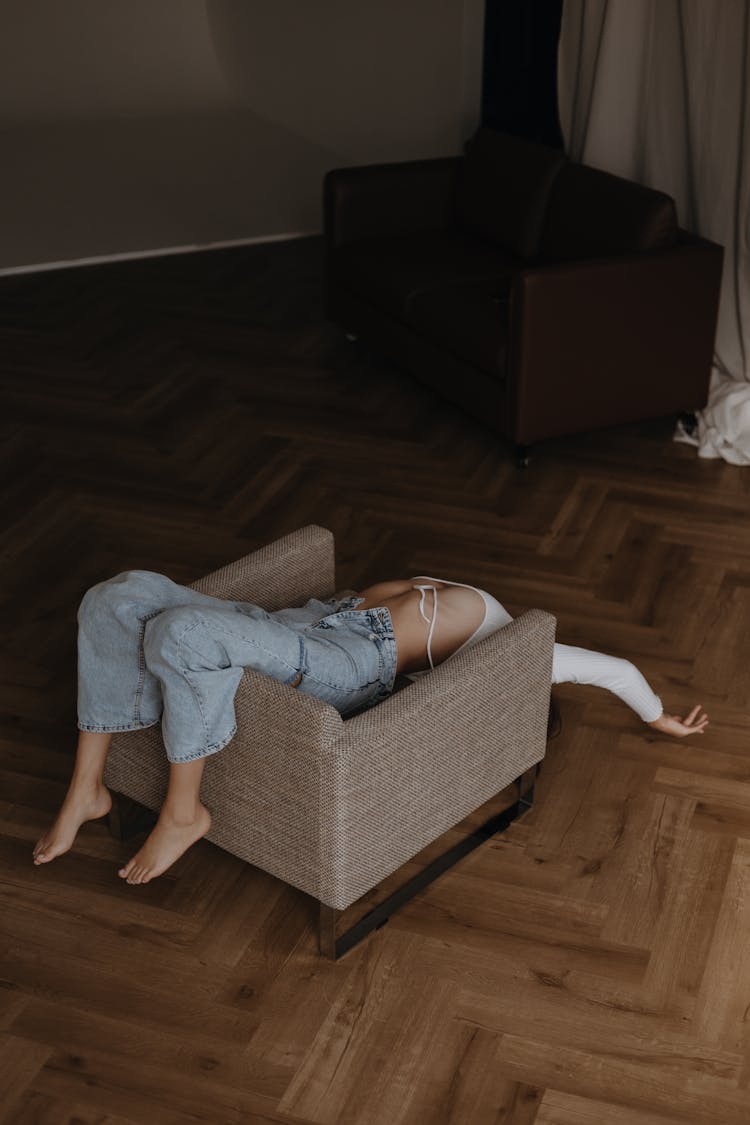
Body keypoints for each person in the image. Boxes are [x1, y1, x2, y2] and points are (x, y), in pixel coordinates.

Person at [32, 569, 709, 883]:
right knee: (113, 596)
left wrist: (662, 720)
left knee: (180, 634)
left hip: (353, 660)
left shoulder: (516, 652)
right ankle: (86, 789)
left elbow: (613, 669)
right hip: (305, 619)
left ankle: (184, 811)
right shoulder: (479, 609)